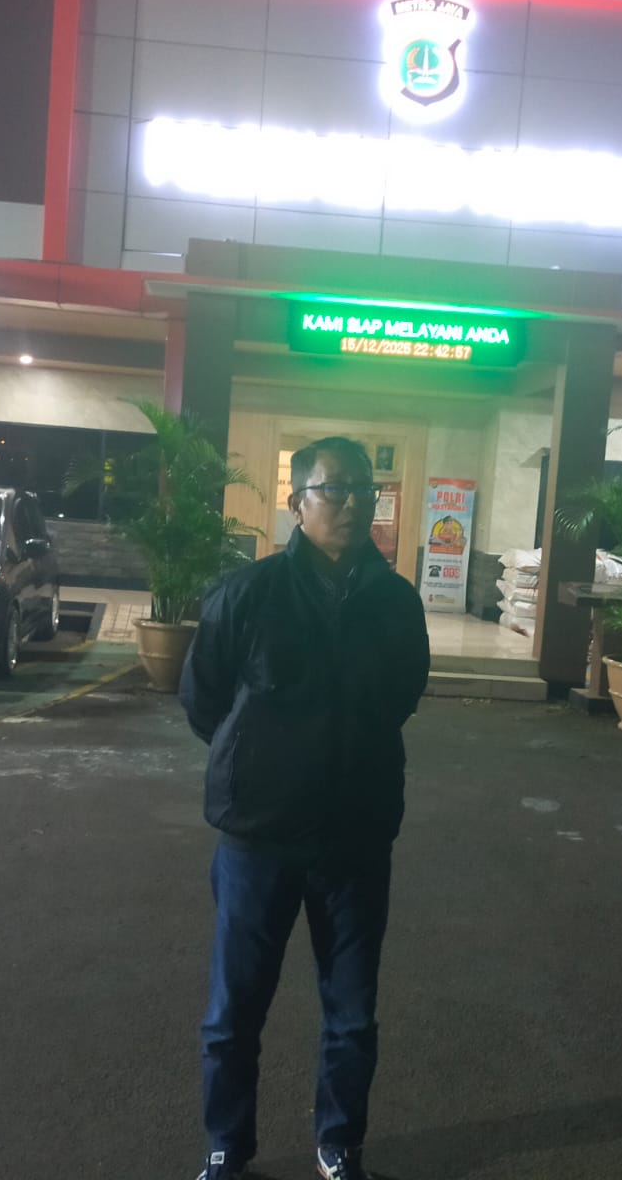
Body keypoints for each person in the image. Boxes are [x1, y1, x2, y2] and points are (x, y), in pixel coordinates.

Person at [179, 436, 431, 1180]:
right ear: (297, 503)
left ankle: (339, 1144)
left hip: (355, 839)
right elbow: (204, 701)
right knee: (234, 1013)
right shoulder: (245, 594)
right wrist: (264, 762)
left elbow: (402, 696)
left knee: (351, 1015)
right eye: (334, 489)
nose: (352, 503)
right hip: (258, 839)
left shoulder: (396, 603)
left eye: (363, 490)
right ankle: (227, 1147)